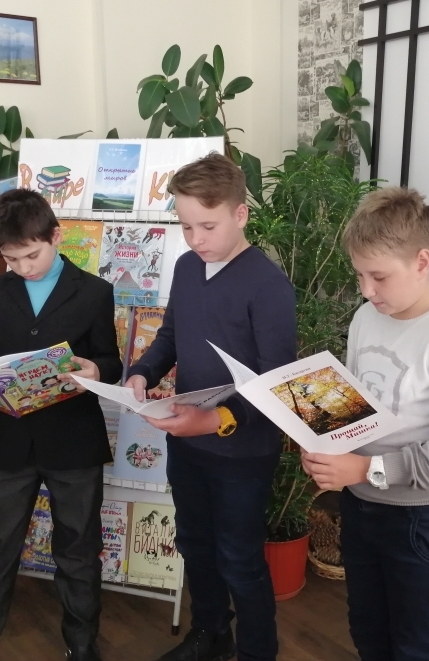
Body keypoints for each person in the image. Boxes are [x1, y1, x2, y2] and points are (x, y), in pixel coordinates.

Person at [0, 189, 122, 661]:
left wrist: (96, 370)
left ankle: (82, 646)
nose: (23, 268)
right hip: (8, 440)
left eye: (31, 256)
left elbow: (110, 360)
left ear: (56, 236)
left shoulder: (94, 291)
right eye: (11, 259)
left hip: (73, 440)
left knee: (78, 550)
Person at [301, 187, 429, 661]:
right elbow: (355, 409)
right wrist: (321, 437)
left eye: (379, 276)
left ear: (422, 261)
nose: (366, 290)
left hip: (421, 521)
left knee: (416, 647)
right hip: (361, 509)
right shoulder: (366, 318)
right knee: (368, 633)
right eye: (359, 275)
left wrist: (364, 469)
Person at [125, 153, 297, 661]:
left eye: (207, 226)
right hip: (189, 443)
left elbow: (276, 383)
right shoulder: (186, 267)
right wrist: (143, 371)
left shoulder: (268, 285)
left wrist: (215, 419)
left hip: (242, 452)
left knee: (240, 559)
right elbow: (171, 335)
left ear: (240, 215)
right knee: (195, 544)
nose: (195, 239)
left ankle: (258, 651)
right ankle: (210, 633)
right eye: (185, 226)